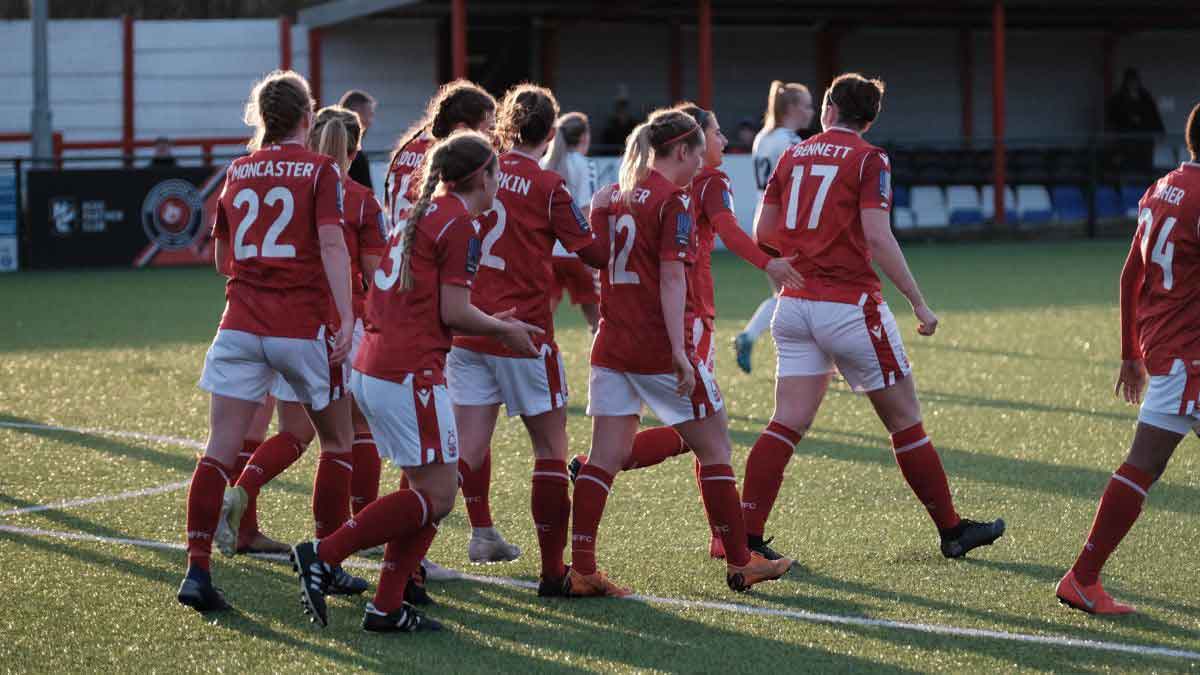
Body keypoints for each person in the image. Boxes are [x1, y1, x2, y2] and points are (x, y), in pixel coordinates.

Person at [739, 72, 1005, 564]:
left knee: (786, 423)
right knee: (905, 421)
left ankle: (747, 537)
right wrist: (918, 303)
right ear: (870, 117)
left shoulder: (794, 154)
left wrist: (801, 261)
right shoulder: (870, 158)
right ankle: (952, 530)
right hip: (850, 308)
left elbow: (764, 229)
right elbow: (878, 238)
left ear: (829, 109)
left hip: (794, 306)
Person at [291, 130, 542, 633]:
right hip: (406, 370)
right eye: (497, 173)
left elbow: (432, 302)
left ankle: (385, 607)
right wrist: (504, 330)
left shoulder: (421, 211)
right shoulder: (458, 225)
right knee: (439, 495)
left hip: (381, 361)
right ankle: (323, 553)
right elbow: (452, 310)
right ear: (483, 177)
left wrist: (494, 320)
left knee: (429, 489)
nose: (501, 182)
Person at [567, 108, 793, 598]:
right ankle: (740, 560)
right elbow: (672, 280)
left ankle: (581, 568)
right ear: (682, 151)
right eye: (702, 148)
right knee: (714, 447)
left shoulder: (611, 195)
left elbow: (592, 260)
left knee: (604, 458)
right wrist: (679, 351)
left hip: (611, 343)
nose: (704, 163)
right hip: (655, 344)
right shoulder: (673, 202)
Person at [176, 70, 355, 613]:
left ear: (260, 118)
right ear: (307, 116)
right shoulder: (321, 168)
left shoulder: (237, 169)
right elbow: (330, 243)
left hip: (240, 324)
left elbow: (220, 261)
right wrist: (346, 316)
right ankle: (328, 560)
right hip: (299, 327)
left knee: (217, 451)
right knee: (339, 443)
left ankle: (197, 569)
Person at [213, 105, 389, 597]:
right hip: (332, 328)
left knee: (293, 431)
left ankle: (243, 491)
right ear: (355, 152)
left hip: (272, 321)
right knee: (349, 436)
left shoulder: (289, 181)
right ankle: (339, 543)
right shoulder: (356, 198)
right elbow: (375, 277)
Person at [448, 86, 608, 586]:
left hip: (469, 328)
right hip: (523, 335)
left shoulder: (479, 168)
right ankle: (550, 571)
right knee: (549, 451)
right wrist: (607, 208)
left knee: (462, 455)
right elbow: (592, 253)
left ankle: (408, 556)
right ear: (551, 131)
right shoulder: (548, 184)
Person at [1056, 103, 1200, 616]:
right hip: (1190, 355)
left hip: (1169, 347)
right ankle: (1082, 577)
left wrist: (1129, 353)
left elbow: (1129, 275)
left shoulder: (1161, 189)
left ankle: (1082, 578)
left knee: (1143, 465)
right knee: (1143, 464)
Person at [382, 80, 497, 582]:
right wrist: (498, 325)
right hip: (417, 323)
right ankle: (348, 553)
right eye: (489, 130)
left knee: (423, 450)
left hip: (390, 307)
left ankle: (400, 569)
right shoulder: (446, 185)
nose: (494, 140)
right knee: (434, 458)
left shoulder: (407, 150)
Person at [733, 80, 815, 373]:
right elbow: (801, 188)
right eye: (806, 105)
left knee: (784, 296)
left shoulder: (761, 138)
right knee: (809, 295)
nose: (811, 111)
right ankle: (812, 363)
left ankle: (749, 335)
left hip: (761, 223)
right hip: (785, 226)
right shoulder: (791, 141)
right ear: (792, 108)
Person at [384, 81, 496, 232]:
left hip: (397, 244)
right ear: (462, 129)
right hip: (426, 244)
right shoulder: (453, 159)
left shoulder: (411, 145)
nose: (493, 139)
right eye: (489, 130)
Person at [542, 112, 601, 333]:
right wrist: (590, 251)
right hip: (576, 251)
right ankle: (601, 367)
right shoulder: (585, 165)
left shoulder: (544, 163)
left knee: (541, 318)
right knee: (598, 321)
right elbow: (586, 209)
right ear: (584, 137)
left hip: (549, 252)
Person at [1107, 69, 1165, 174]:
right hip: (1125, 138)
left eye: (1134, 81)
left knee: (1144, 163)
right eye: (1130, 81)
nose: (1133, 84)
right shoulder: (1118, 98)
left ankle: (1145, 180)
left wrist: (1160, 130)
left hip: (1144, 138)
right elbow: (1112, 118)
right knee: (1125, 164)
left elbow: (1153, 115)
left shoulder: (1145, 97)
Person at [339, 90, 377, 189]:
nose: (371, 122)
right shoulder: (356, 157)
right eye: (370, 115)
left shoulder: (325, 150)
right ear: (356, 115)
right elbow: (368, 199)